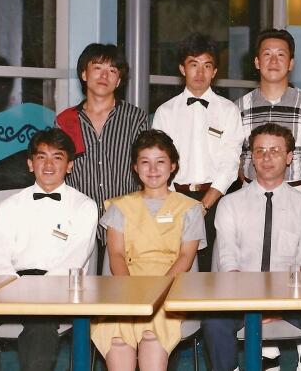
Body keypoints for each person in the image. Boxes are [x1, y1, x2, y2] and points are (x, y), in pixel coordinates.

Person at [202, 123, 301, 371]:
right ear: (251, 157)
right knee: (213, 321)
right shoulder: (229, 204)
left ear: (288, 158)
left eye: (275, 151)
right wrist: (253, 305)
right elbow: (228, 259)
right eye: (260, 151)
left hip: (289, 299)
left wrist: (278, 306)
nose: (267, 157)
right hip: (240, 297)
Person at [0, 128, 97, 371]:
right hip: (10, 286)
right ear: (31, 164)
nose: (49, 165)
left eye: (58, 157)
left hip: (56, 288)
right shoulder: (9, 206)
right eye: (42, 157)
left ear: (70, 165)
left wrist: (37, 292)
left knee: (40, 328)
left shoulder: (84, 207)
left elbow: (73, 260)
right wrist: (13, 289)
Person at [91, 130, 206, 371]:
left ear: (173, 165)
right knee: (116, 336)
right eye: (145, 162)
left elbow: (186, 257)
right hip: (127, 285)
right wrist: (132, 293)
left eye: (160, 162)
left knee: (153, 335)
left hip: (171, 288)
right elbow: (116, 255)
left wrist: (158, 292)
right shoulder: (119, 207)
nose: (153, 170)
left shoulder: (190, 208)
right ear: (135, 167)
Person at [152, 32, 245, 272]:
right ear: (182, 68)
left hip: (215, 201)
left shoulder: (228, 111)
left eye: (207, 66)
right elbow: (160, 163)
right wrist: (175, 204)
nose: (200, 73)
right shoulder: (165, 112)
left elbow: (230, 164)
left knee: (212, 271)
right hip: (173, 201)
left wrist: (204, 205)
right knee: (174, 269)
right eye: (194, 65)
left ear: (215, 72)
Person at [56, 43, 148, 272]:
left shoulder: (135, 118)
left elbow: (146, 170)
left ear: (119, 81)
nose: (104, 75)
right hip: (76, 224)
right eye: (97, 68)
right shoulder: (65, 121)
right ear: (84, 74)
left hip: (126, 223)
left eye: (113, 70)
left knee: (120, 297)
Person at [236, 28, 301, 192]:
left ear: (291, 63)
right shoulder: (239, 107)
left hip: (295, 194)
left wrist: (298, 186)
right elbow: (233, 155)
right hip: (250, 194)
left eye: (280, 55)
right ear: (257, 62)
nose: (273, 61)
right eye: (267, 55)